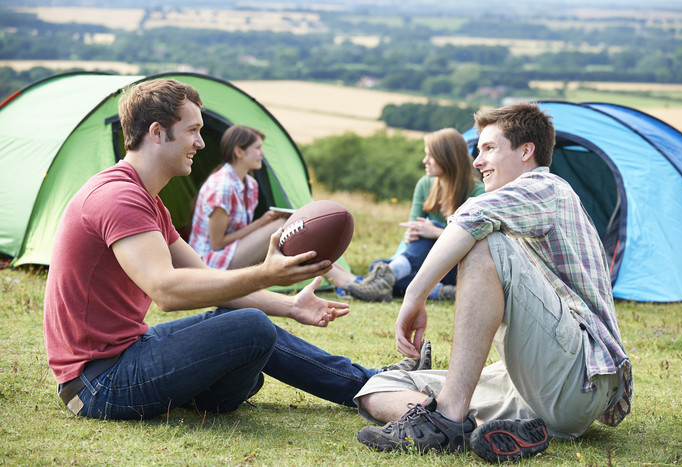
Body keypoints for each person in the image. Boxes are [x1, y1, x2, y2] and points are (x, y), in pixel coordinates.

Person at [43, 79, 431, 421]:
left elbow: (208, 278)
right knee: (250, 328)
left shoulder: (146, 198)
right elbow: (166, 290)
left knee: (239, 322)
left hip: (129, 352)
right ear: (157, 133)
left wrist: (290, 306)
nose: (200, 142)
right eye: (193, 130)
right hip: (98, 384)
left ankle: (373, 383)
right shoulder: (118, 197)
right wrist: (267, 273)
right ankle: (367, 389)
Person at [353, 103, 633, 463]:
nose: (476, 161)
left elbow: (471, 217)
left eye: (489, 149)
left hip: (581, 377)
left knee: (485, 240)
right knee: (377, 389)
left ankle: (449, 416)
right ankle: (483, 428)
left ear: (526, 150)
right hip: (532, 389)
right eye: (478, 150)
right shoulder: (518, 208)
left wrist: (414, 295)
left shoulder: (547, 186)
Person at [188, 124, 359, 289]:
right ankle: (345, 282)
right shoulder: (222, 186)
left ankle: (347, 279)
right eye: (257, 148)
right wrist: (262, 222)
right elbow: (217, 243)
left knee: (291, 228)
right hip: (210, 263)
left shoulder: (250, 185)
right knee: (280, 229)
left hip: (231, 254)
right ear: (239, 152)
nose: (262, 153)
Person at [346, 128, 484, 302]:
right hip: (428, 263)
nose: (424, 161)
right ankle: (442, 292)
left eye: (430, 156)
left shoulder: (478, 192)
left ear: (448, 158)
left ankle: (389, 276)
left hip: (456, 266)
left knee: (432, 229)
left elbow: (479, 242)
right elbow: (411, 231)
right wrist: (413, 233)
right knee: (379, 265)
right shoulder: (425, 184)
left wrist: (435, 233)